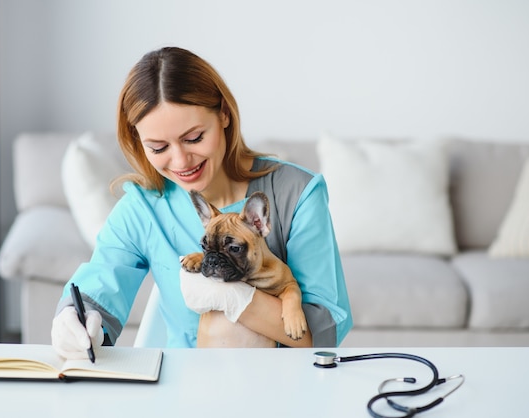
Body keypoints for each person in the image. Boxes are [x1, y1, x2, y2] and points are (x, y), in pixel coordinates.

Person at [51, 46, 352, 357]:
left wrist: (239, 299)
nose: (181, 161)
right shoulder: (143, 207)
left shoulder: (296, 193)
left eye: (194, 138)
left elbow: (323, 335)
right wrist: (74, 320)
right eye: (158, 147)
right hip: (186, 385)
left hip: (283, 387)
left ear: (223, 113)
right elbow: (100, 285)